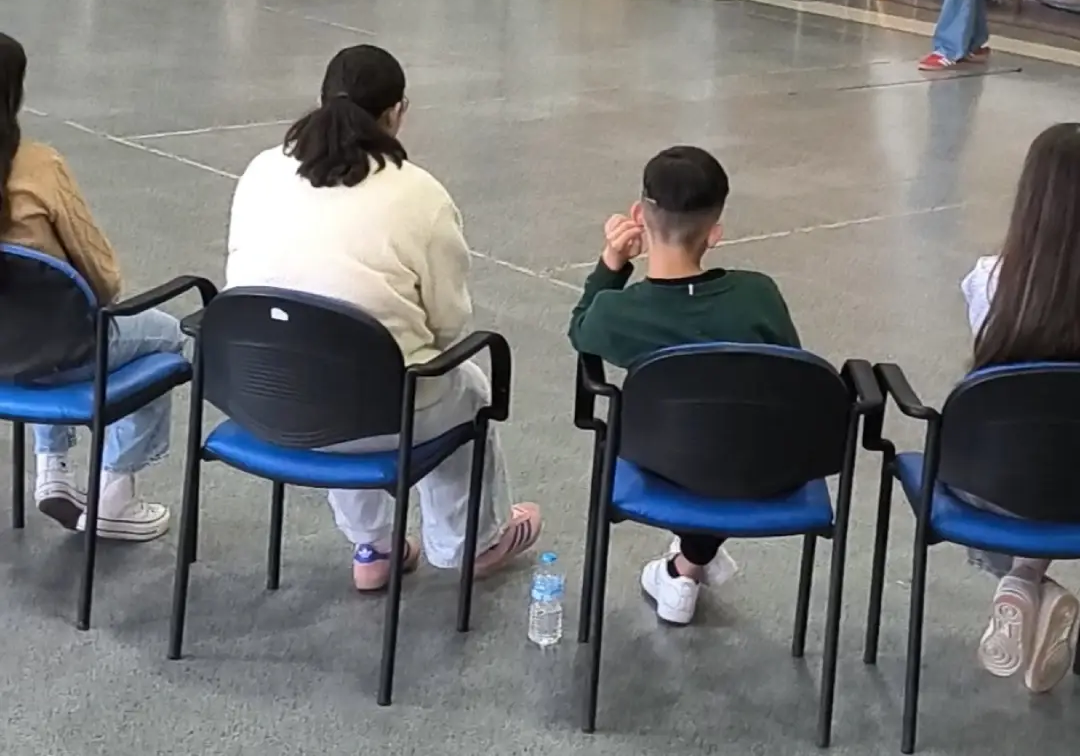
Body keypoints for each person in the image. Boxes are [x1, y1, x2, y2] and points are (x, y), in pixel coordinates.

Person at [226, 43, 541, 590]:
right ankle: (471, 542)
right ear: (397, 112)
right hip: (377, 412)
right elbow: (448, 325)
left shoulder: (261, 170)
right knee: (464, 387)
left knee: (323, 356)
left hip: (263, 392)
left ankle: (373, 545)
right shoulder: (419, 194)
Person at [568, 146, 799, 625]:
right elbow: (790, 371)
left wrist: (612, 263)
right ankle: (688, 565)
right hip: (764, 467)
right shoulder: (758, 294)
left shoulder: (617, 313)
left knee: (701, 441)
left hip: (662, 463)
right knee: (729, 434)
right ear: (715, 233)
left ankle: (686, 568)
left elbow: (581, 328)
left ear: (638, 215)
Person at [0, 33, 183, 540]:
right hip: (60, 349)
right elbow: (103, 281)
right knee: (168, 336)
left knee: (32, 322)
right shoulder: (39, 166)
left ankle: (54, 470)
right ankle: (113, 495)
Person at [959, 123, 1080, 694]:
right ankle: (1031, 582)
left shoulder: (988, 281)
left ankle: (1024, 578)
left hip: (998, 485)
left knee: (1027, 448)